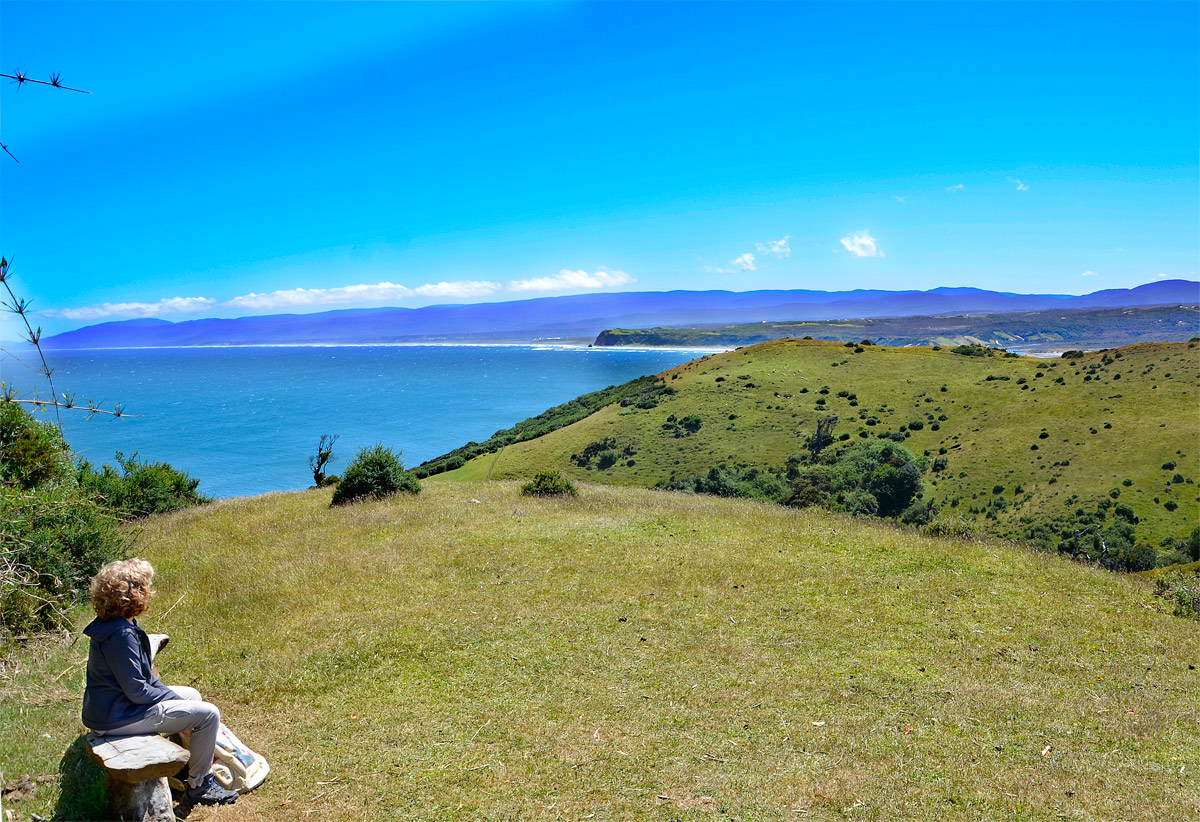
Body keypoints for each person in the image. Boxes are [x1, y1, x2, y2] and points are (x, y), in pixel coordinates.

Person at [81, 558, 238, 807]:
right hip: (118, 717)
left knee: (192, 696)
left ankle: (188, 766)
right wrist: (168, 697)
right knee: (208, 715)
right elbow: (137, 691)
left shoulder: (117, 624)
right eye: (145, 587)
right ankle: (200, 785)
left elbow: (139, 682)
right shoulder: (121, 634)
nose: (149, 592)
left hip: (111, 709)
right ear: (134, 594)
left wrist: (168, 695)